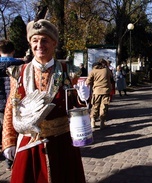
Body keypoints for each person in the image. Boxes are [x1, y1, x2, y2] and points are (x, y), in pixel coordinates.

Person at [2, 19, 89, 182]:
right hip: (28, 143)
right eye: (35, 40)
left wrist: (84, 98)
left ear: (54, 43)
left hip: (61, 144)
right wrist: (8, 141)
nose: (39, 45)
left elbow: (77, 105)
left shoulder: (69, 71)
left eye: (45, 40)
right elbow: (10, 108)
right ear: (30, 44)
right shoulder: (18, 72)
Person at [0, 39, 24, 171]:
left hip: (0, 105)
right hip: (16, 103)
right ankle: (14, 158)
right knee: (15, 131)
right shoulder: (20, 65)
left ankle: (7, 158)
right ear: (13, 51)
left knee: (4, 131)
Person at [86, 59, 112, 129]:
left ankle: (93, 121)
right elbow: (111, 77)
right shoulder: (106, 70)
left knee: (95, 106)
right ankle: (102, 122)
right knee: (104, 107)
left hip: (96, 91)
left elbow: (87, 82)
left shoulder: (93, 71)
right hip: (106, 91)